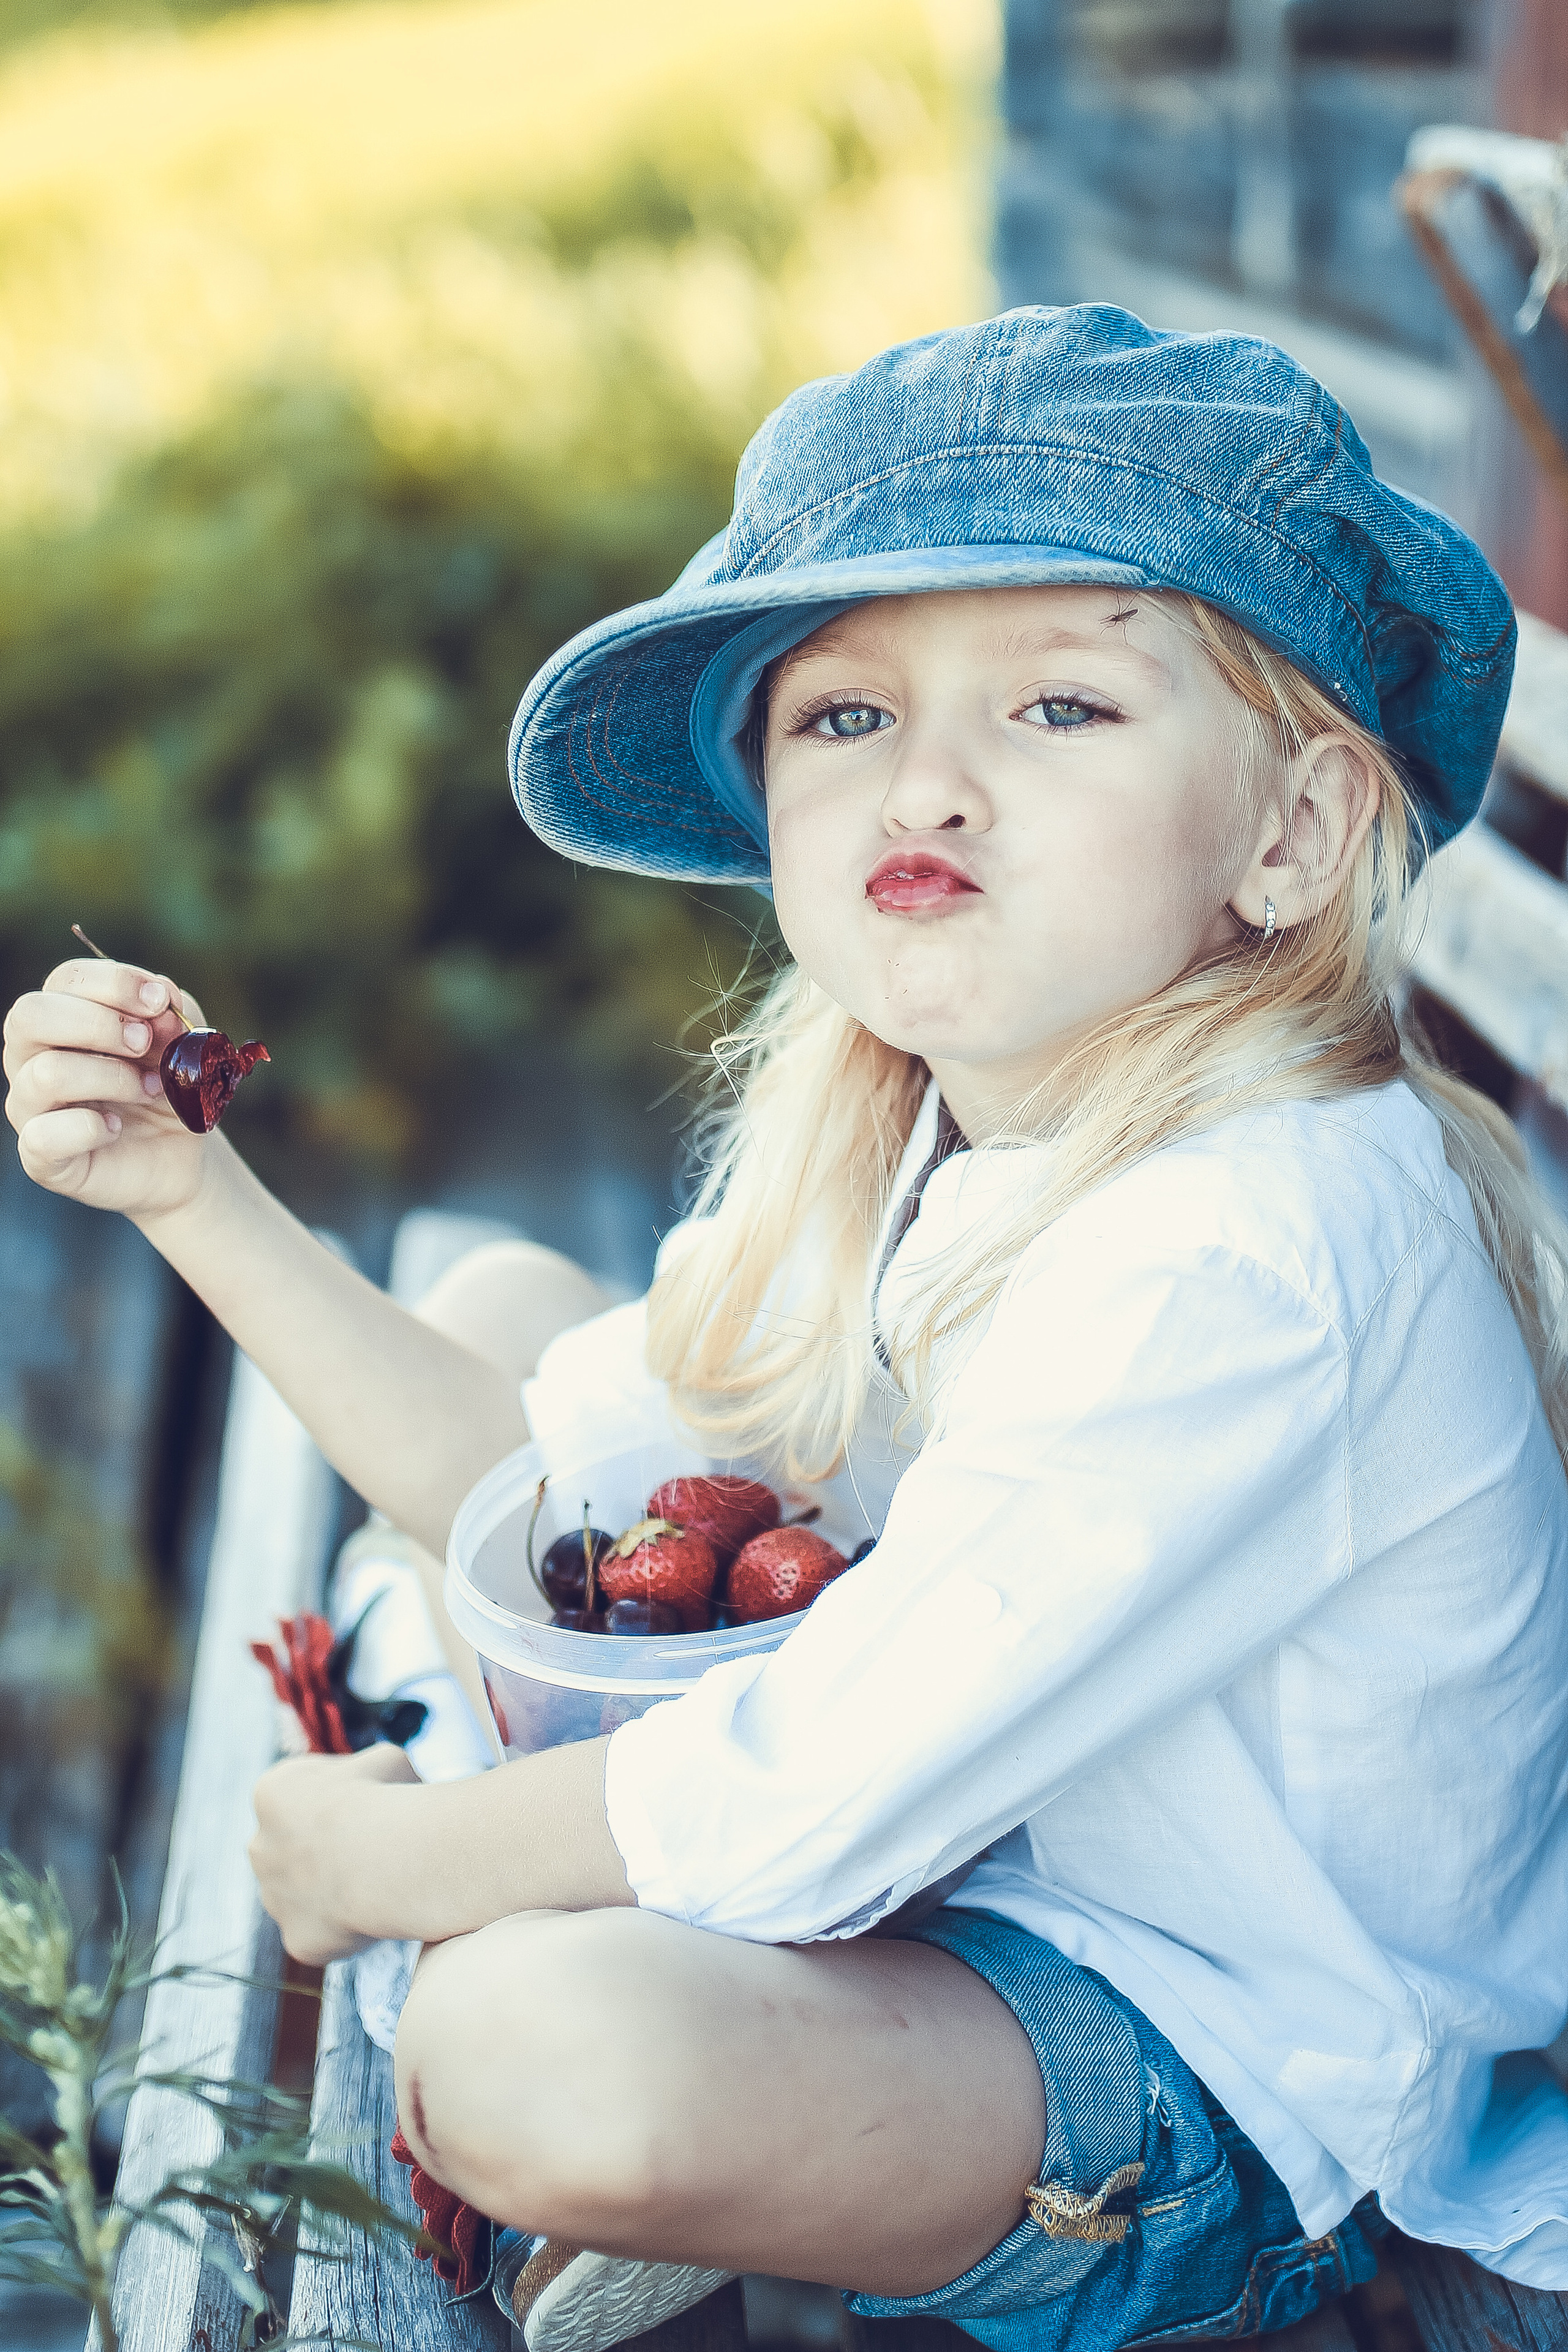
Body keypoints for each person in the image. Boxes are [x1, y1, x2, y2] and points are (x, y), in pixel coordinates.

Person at [5, 306, 1567, 2351]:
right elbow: (526, 1460)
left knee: (527, 2042)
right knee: (503, 1309)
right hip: (985, 1875)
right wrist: (186, 1195)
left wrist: (388, 1869)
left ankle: (591, 1982)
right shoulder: (948, 1129)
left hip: (1252, 2081)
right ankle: (568, 1895)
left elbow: (814, 1789)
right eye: (845, 718)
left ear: (1290, 833)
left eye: (1062, 708)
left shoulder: (1247, 1248)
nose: (929, 777)